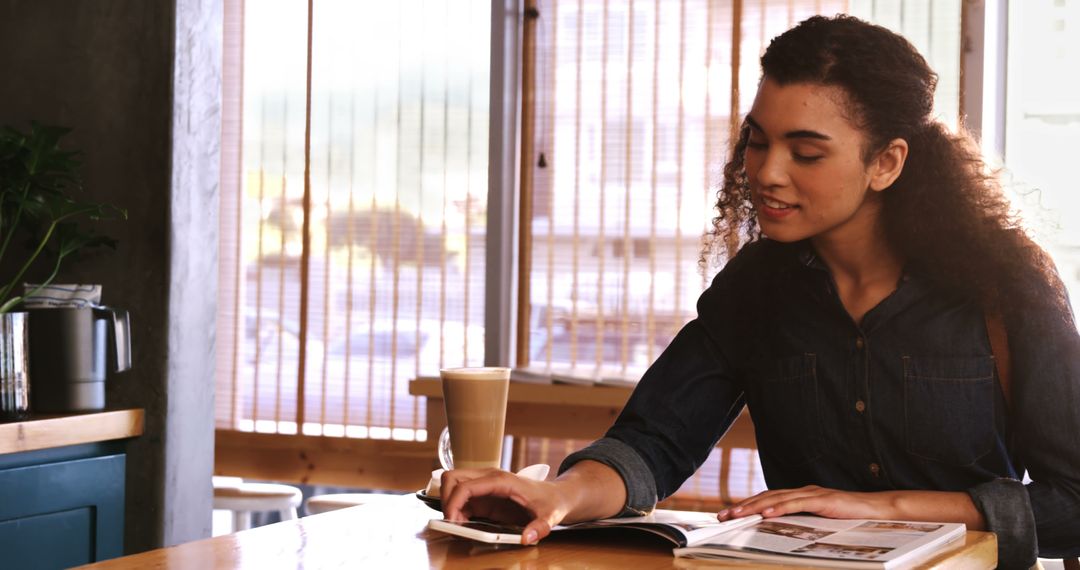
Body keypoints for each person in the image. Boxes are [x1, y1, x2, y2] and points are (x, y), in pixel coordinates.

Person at [440, 15, 1080, 569]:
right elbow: (652, 442)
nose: (767, 172)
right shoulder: (757, 290)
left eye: (807, 153)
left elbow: (1073, 503)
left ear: (886, 162)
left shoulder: (1005, 287)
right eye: (758, 140)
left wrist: (888, 508)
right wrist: (560, 496)